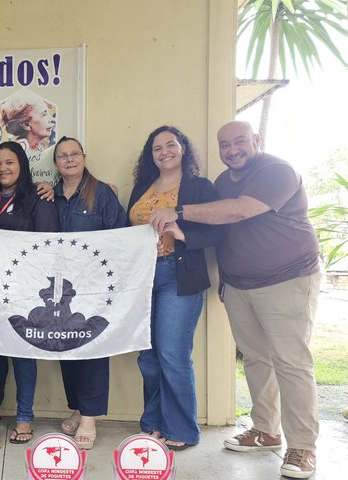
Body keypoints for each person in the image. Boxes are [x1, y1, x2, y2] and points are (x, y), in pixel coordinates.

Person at [150, 121, 321, 479]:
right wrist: (226, 281)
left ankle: (303, 446)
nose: (233, 149)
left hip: (287, 280)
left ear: (256, 140)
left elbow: (239, 211)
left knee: (291, 362)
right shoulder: (224, 182)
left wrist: (178, 212)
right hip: (240, 285)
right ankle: (266, 430)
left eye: (240, 141)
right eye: (225, 144)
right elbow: (225, 236)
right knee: (256, 359)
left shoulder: (277, 171)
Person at [126, 126, 218, 451]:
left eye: (170, 145)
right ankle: (153, 425)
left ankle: (181, 429)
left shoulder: (198, 187)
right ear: (150, 156)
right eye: (157, 148)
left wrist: (183, 235)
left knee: (172, 355)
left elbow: (219, 232)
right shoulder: (142, 187)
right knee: (148, 357)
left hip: (178, 277)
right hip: (141, 280)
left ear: (183, 148)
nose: (164, 151)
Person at [53, 136, 126, 449]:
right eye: (62, 156)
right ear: (55, 163)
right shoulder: (48, 195)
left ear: (84, 157)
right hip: (60, 289)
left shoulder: (103, 194)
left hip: (95, 288)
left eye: (74, 154)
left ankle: (90, 418)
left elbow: (121, 236)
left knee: (93, 351)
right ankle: (79, 407)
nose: (69, 160)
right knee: (67, 349)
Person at [0, 142, 59, 444]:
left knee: (22, 354)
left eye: (10, 162)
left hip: (27, 290)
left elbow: (48, 247)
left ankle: (25, 417)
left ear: (22, 165)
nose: (3, 168)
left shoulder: (39, 197)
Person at [0, 89, 57, 183]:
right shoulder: (13, 153)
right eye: (44, 114)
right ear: (26, 125)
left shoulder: (42, 148)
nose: (52, 119)